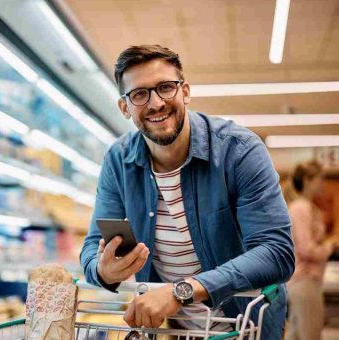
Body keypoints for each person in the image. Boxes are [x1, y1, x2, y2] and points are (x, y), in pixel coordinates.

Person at [80, 45, 294, 339]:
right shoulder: (119, 161)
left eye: (166, 88)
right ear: (125, 108)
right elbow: (93, 247)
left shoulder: (239, 151)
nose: (156, 103)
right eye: (140, 94)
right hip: (176, 329)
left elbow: (277, 252)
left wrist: (180, 291)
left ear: (186, 92)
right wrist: (102, 271)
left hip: (246, 325)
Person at [283, 160, 334, 340]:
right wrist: (329, 247)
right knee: (310, 335)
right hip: (305, 280)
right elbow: (306, 249)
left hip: (304, 281)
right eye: (320, 179)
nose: (322, 183)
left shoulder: (305, 206)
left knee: (297, 334)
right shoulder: (301, 208)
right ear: (307, 180)